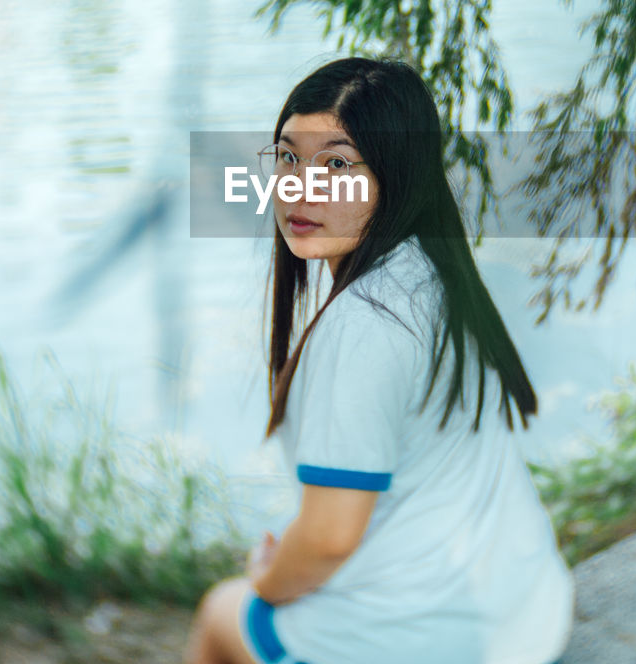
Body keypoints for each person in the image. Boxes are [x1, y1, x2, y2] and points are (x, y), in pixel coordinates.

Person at [186, 58, 574, 664]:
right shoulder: (431, 269)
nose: (299, 188)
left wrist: (266, 580)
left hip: (444, 643)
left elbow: (329, 538)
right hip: (525, 610)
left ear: (393, 177)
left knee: (222, 612)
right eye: (287, 157)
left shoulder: (365, 325)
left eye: (337, 164)